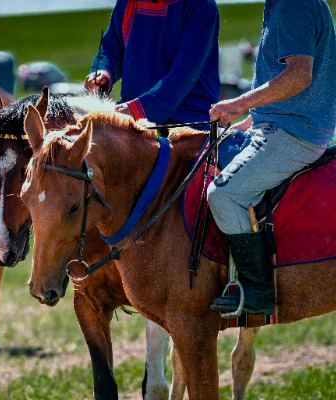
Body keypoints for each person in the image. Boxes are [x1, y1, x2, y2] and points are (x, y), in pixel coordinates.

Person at [207, 0, 336, 315]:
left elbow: (299, 77)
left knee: (223, 195)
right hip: (279, 125)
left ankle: (257, 290)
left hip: (294, 134)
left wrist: (239, 103)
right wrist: (248, 121)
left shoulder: (293, 5)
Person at [84, 0, 220, 130]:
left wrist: (138, 110)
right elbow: (112, 48)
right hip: (131, 109)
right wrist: (103, 70)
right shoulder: (127, 2)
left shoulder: (202, 4)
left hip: (188, 115)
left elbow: (185, 71)